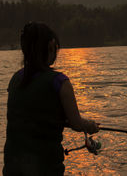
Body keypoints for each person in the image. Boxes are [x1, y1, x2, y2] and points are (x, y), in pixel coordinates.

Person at [3, 22, 99, 176]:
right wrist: (90, 125)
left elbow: (32, 113)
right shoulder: (59, 82)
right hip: (45, 167)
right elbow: (76, 123)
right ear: (50, 46)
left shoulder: (15, 79)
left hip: (12, 167)